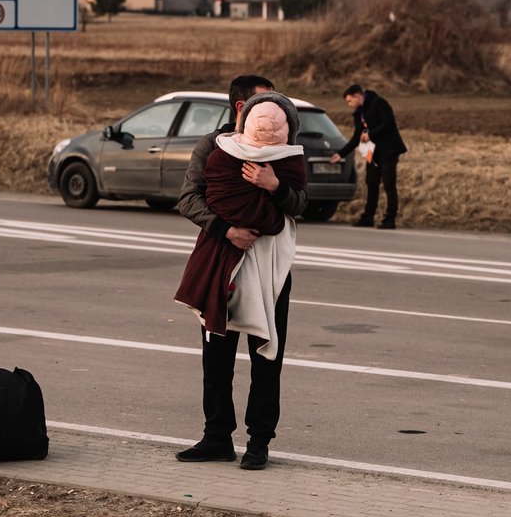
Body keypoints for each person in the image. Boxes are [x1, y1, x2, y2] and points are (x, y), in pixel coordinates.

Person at [174, 77, 307, 471]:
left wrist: (275, 185)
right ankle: (216, 437)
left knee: (267, 355)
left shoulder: (285, 149)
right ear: (240, 108)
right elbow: (189, 198)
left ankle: (259, 442)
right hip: (221, 256)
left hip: (270, 266)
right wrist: (226, 229)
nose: (272, 110)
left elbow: (300, 202)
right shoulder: (212, 147)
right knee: (216, 354)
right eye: (261, 103)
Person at [329, 84, 407, 229]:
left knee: (389, 183)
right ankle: (368, 217)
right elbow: (356, 137)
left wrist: (370, 134)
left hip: (388, 150)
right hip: (373, 153)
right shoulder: (359, 113)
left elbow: (388, 123)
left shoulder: (379, 103)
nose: (349, 104)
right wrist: (340, 154)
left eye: (350, 101)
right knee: (371, 183)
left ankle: (390, 218)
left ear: (358, 96)